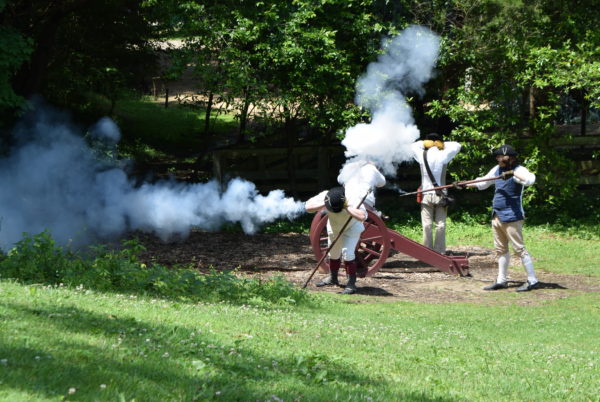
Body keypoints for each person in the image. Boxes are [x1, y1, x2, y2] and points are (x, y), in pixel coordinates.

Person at [463, 144, 540, 292]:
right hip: (497, 215)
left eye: (500, 156)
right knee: (501, 249)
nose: (498, 158)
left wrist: (513, 174)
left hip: (512, 216)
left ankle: (532, 280)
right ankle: (501, 280)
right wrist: (465, 184)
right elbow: (483, 182)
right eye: (497, 156)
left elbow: (530, 180)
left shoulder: (519, 170)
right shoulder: (497, 169)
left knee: (519, 249)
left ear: (510, 158)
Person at [305, 186, 368, 294]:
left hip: (351, 228)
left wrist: (346, 207)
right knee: (333, 254)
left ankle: (351, 284)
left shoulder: (353, 198)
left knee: (347, 254)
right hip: (334, 228)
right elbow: (308, 207)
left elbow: (362, 216)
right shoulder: (325, 195)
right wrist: (325, 203)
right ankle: (333, 278)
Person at [410, 133, 461, 254]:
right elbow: (457, 145)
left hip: (435, 195)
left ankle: (428, 252)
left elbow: (412, 146)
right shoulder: (444, 153)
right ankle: (439, 252)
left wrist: (423, 143)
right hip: (436, 194)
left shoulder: (422, 154)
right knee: (440, 225)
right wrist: (441, 143)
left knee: (427, 225)